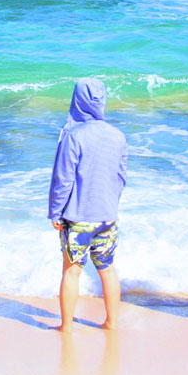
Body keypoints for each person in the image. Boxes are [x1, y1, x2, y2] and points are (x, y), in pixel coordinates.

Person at [48, 77, 128, 332]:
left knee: (72, 271)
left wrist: (55, 212)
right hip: (107, 215)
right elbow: (121, 177)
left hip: (78, 216)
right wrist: (109, 203)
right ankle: (111, 322)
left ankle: (67, 326)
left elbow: (63, 179)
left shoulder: (73, 136)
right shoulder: (117, 136)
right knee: (108, 269)